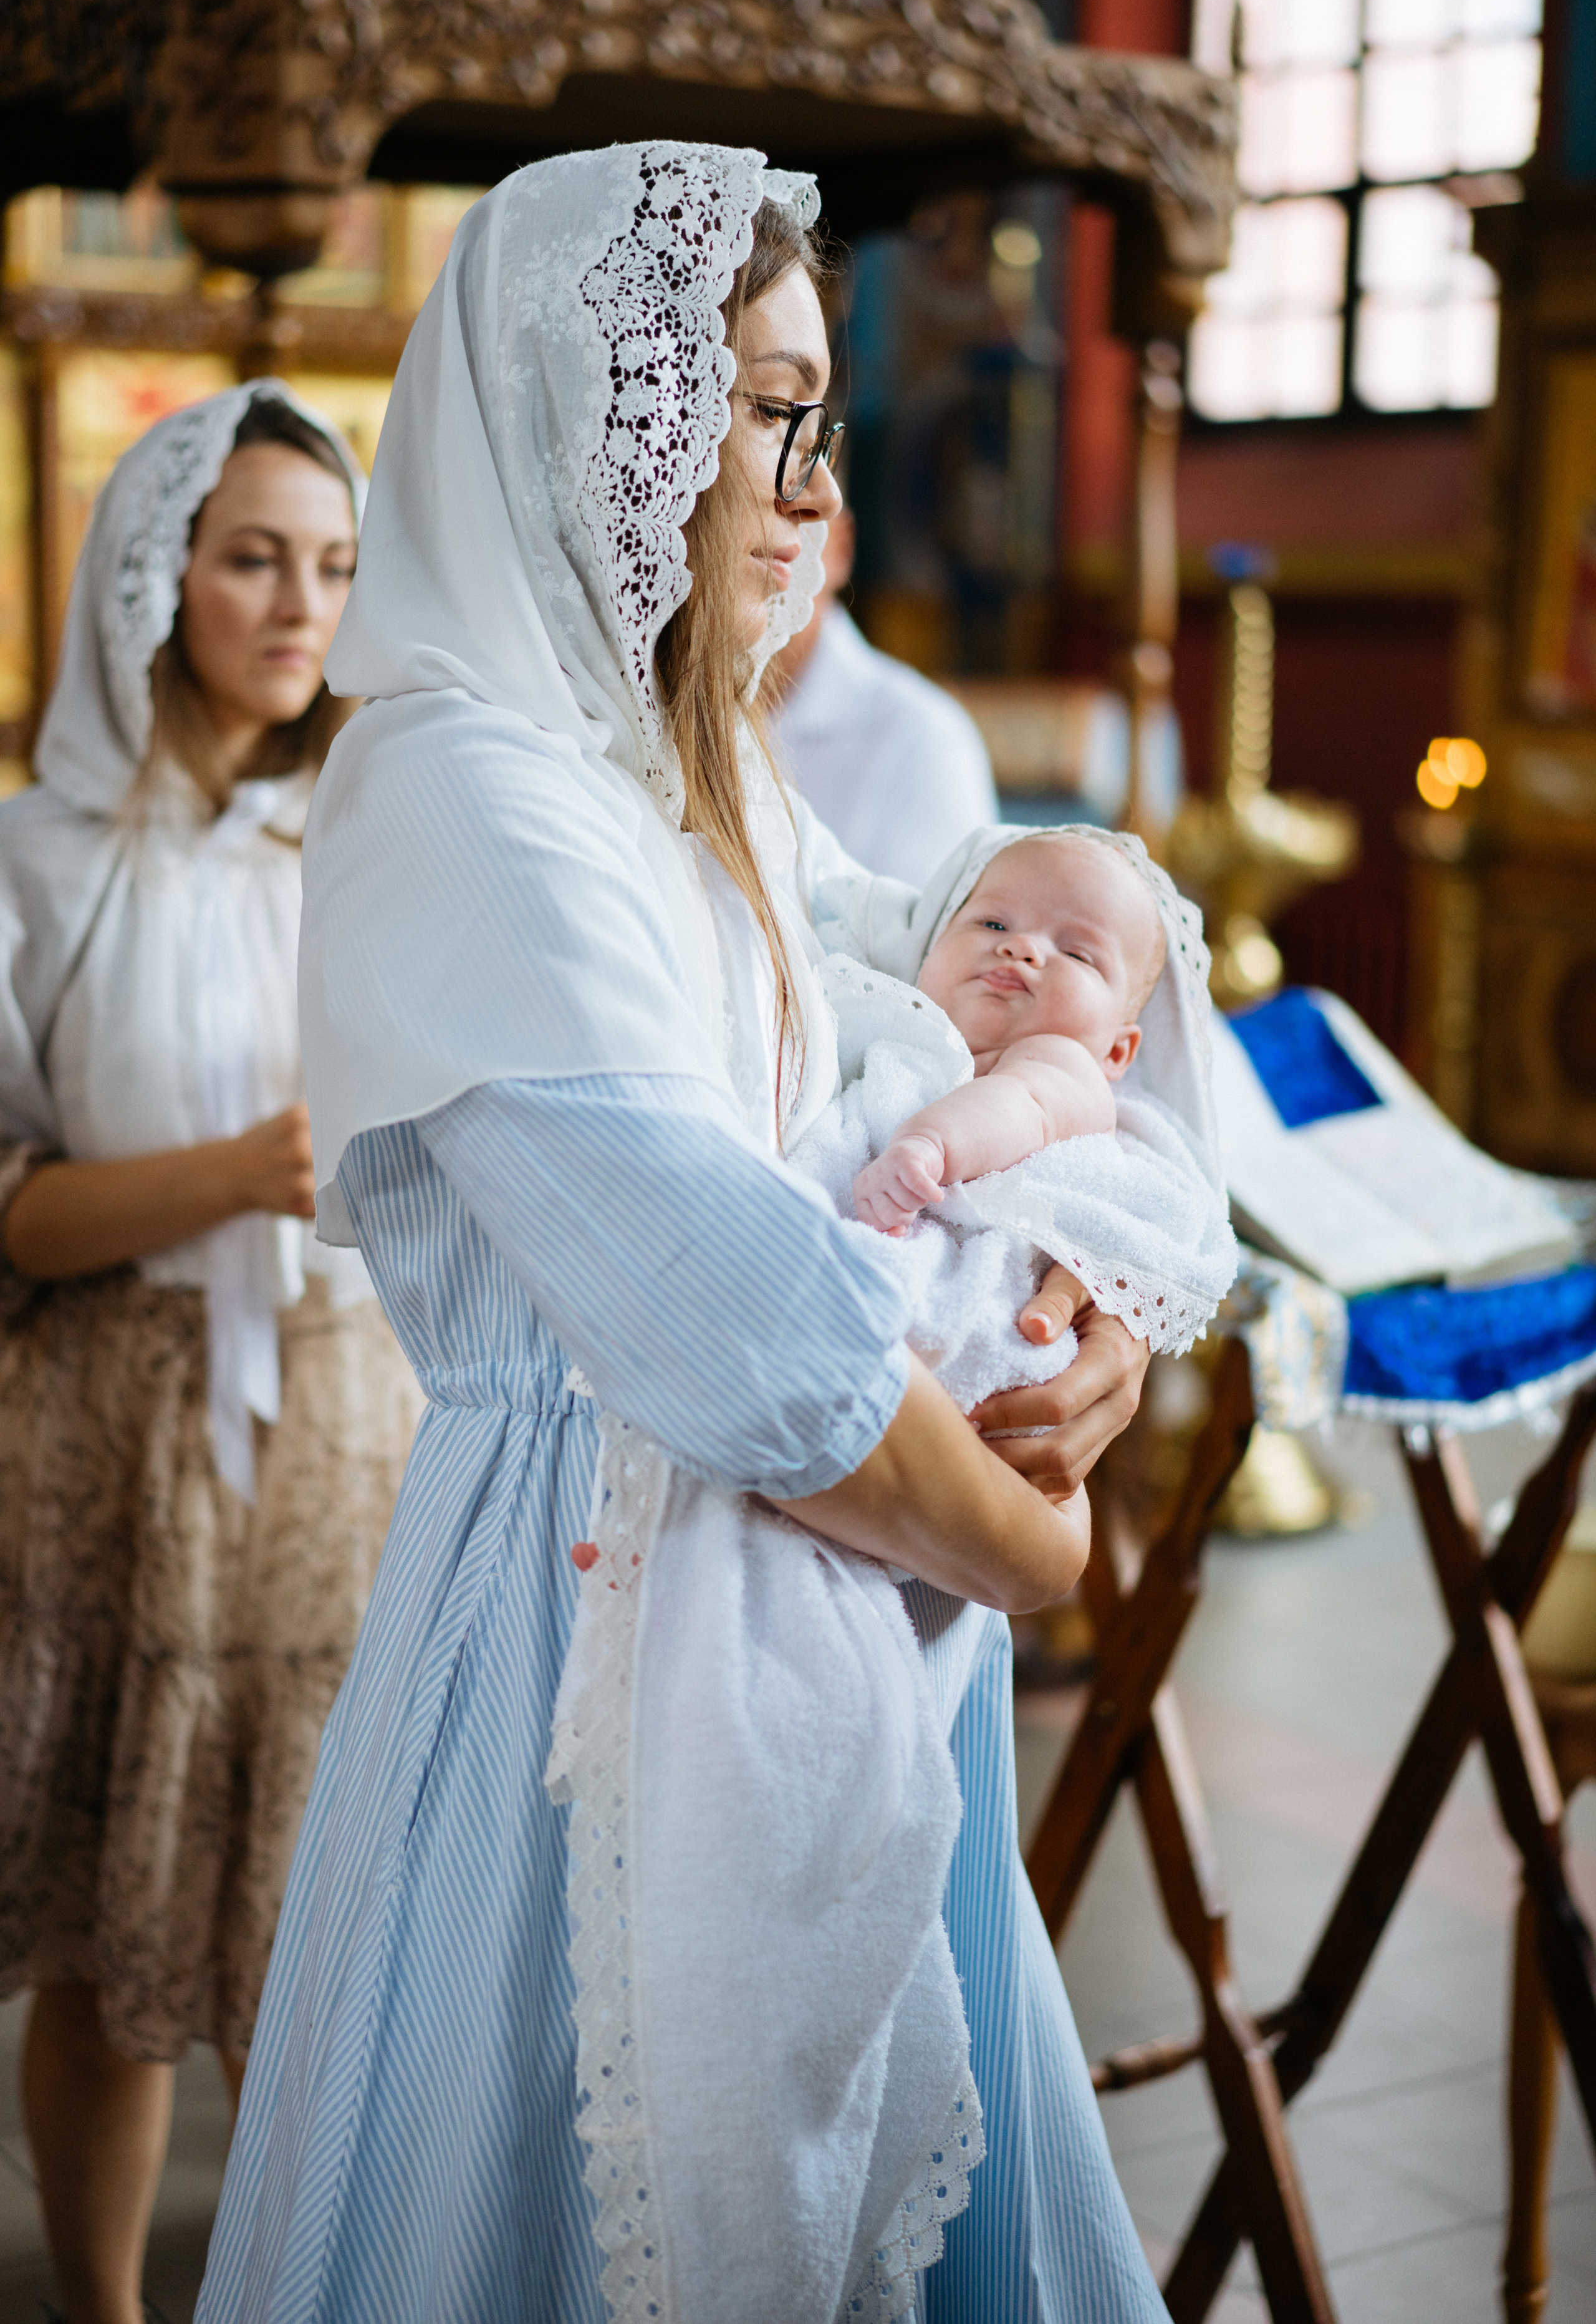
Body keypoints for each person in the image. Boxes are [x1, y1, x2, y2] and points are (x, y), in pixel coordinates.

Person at [198, 146, 1163, 2321]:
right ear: (595, 408)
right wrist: (1037, 1539)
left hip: (830, 1612)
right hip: (586, 1634)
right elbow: (745, 1324)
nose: (809, 481)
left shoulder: (682, 756)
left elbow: (933, 1037)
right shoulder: (459, 783)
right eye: (760, 410)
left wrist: (1086, 1306)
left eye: (823, 416)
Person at [0, 385, 423, 2324]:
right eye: (252, 556)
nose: (297, 604)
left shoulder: (385, 827)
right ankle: (97, 2306)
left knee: (314, 1929)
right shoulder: (41, 858)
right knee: (112, 1929)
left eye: (334, 565)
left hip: (351, 1430)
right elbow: (9, 1207)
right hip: (119, 1433)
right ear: (154, 574)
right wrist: (239, 1172)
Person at [853, 831, 1166, 1232]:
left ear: (1116, 1052)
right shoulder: (881, 1018)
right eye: (994, 923)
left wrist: (929, 1145)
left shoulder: (1066, 1064)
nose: (1021, 947)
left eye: (1076, 953)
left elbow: (1022, 1105)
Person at [768, 503, 1001, 880]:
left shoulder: (924, 740)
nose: (767, 539)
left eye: (792, 514)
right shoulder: (656, 717)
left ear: (841, 545)